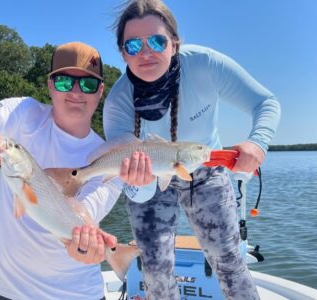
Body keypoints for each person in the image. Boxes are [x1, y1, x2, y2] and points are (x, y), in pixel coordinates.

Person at [103, 1, 281, 299]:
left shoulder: (205, 65)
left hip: (205, 167)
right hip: (148, 176)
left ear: (174, 43)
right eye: (133, 45)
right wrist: (134, 180)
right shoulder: (118, 103)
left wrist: (257, 142)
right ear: (122, 53)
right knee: (155, 267)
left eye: (157, 41)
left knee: (229, 261)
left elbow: (266, 102)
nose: (145, 52)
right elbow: (121, 163)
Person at [0, 42, 122, 300]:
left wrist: (86, 244)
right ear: (50, 85)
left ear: (100, 92)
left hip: (78, 294)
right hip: (8, 292)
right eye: (65, 82)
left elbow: (86, 210)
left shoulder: (108, 158)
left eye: (87, 84)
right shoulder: (23, 114)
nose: (76, 92)